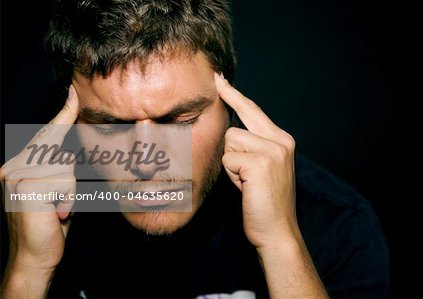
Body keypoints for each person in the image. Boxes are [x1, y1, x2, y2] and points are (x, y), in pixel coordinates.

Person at [0, 0, 389, 298]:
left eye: (179, 122)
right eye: (111, 126)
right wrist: (29, 269)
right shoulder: (29, 207)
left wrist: (281, 244)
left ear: (231, 107)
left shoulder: (335, 219)